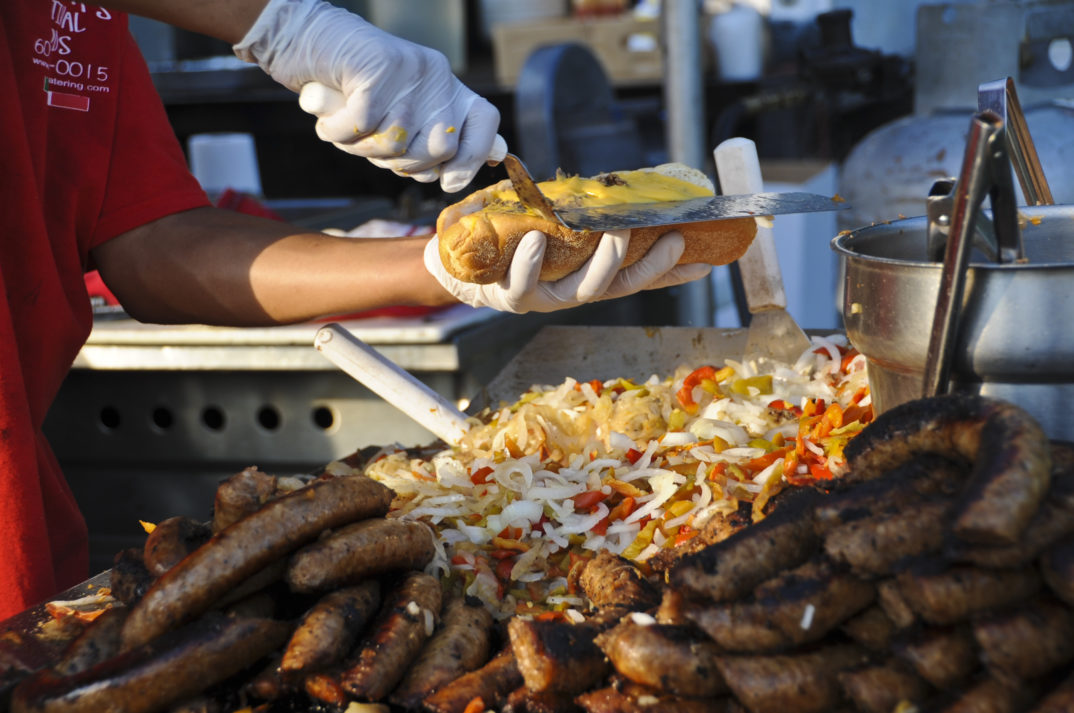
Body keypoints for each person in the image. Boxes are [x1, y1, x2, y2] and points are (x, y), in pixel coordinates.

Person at [0, 0, 713, 620]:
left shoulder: (90, 20)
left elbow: (150, 242)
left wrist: (436, 268)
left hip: (27, 531)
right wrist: (277, 22)